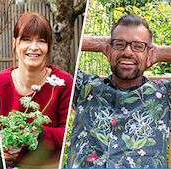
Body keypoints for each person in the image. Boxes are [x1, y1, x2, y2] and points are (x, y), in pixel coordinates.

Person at [67, 15, 171, 168]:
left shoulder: (164, 95)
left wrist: (160, 53)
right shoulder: (84, 87)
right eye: (120, 44)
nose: (127, 52)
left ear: (149, 54)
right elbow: (55, 46)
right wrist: (101, 44)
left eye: (137, 46)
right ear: (109, 51)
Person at [0, 12, 73, 168]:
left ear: (49, 46)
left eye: (41, 41)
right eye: (26, 39)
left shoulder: (64, 83)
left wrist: (40, 133)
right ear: (15, 44)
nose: (34, 47)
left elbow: (69, 133)